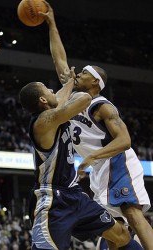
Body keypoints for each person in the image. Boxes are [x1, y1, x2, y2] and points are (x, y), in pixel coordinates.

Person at [40, 2, 153, 249]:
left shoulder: (102, 105)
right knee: (115, 231)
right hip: (99, 169)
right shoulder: (70, 97)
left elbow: (125, 141)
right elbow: (59, 58)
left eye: (82, 73)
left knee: (133, 213)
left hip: (117, 161)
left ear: (94, 82)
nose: (76, 74)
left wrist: (90, 159)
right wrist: (51, 23)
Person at [19, 75, 143, 250]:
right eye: (48, 89)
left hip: (75, 195)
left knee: (121, 235)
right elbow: (84, 98)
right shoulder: (42, 123)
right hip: (52, 201)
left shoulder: (54, 115)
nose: (53, 90)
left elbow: (60, 98)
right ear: (43, 99)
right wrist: (76, 88)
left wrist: (70, 82)